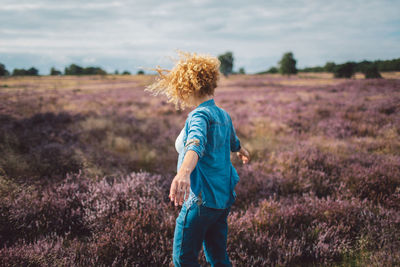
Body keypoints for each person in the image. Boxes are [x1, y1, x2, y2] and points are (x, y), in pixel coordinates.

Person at [145, 50, 250, 267]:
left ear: (188, 87)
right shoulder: (223, 115)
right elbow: (232, 141)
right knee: (219, 258)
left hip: (200, 200)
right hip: (221, 202)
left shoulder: (199, 115)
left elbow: (195, 143)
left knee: (183, 259)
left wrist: (183, 173)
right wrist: (241, 150)